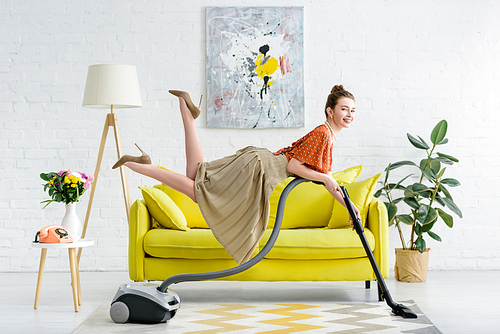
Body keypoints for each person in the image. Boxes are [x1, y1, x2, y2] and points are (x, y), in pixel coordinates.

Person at [113, 85, 359, 264]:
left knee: (197, 174)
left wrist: (348, 207)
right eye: (344, 109)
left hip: (260, 166)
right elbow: (294, 167)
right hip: (261, 169)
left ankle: (185, 113)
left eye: (353, 111)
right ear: (330, 111)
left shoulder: (328, 136)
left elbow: (328, 183)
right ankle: (143, 167)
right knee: (201, 193)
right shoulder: (323, 134)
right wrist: (326, 178)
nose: (349, 114)